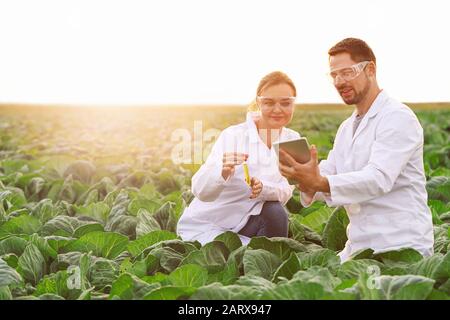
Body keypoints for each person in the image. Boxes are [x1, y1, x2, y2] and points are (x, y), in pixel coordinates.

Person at [278, 38, 434, 262]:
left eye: (347, 72)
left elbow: (378, 178)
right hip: (359, 246)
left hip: (400, 246)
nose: (339, 81)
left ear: (370, 69)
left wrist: (319, 182)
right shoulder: (346, 127)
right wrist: (302, 176)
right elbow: (329, 174)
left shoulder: (398, 117)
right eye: (334, 75)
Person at [177, 71, 300, 245]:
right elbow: (200, 190)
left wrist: (263, 189)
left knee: (276, 211)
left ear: (293, 104)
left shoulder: (292, 139)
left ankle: (264, 261)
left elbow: (287, 190)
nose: (278, 110)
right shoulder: (233, 136)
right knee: (228, 257)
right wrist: (221, 172)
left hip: (249, 221)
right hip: (212, 223)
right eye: (269, 102)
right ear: (258, 103)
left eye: (286, 103)